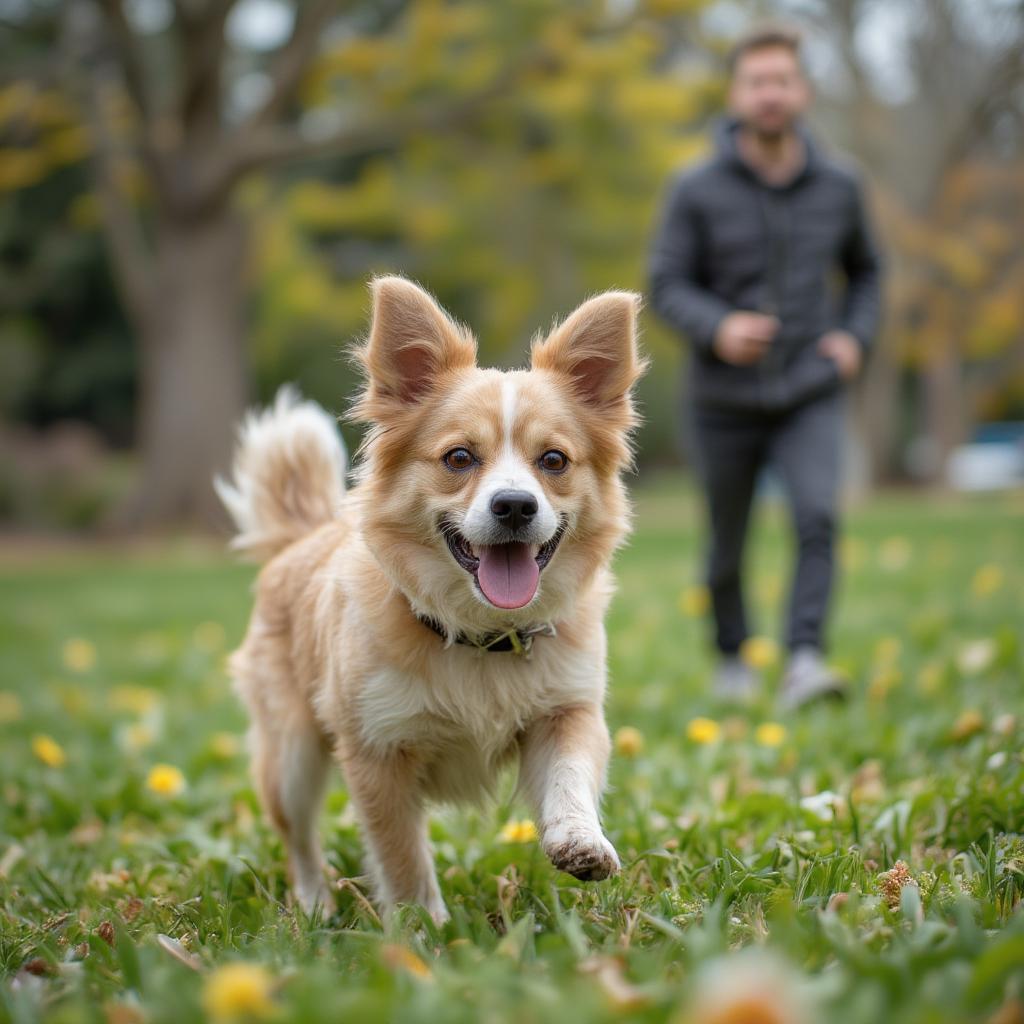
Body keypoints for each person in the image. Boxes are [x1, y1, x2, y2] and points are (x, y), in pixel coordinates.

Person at [648, 26, 882, 708]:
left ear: (802, 90)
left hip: (810, 387)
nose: (770, 94)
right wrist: (717, 326)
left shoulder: (840, 185)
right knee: (727, 541)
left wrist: (855, 335)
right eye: (757, 81)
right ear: (736, 93)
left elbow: (867, 272)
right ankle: (732, 657)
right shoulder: (694, 187)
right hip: (721, 398)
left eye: (782, 80)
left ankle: (804, 659)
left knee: (817, 517)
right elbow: (665, 283)